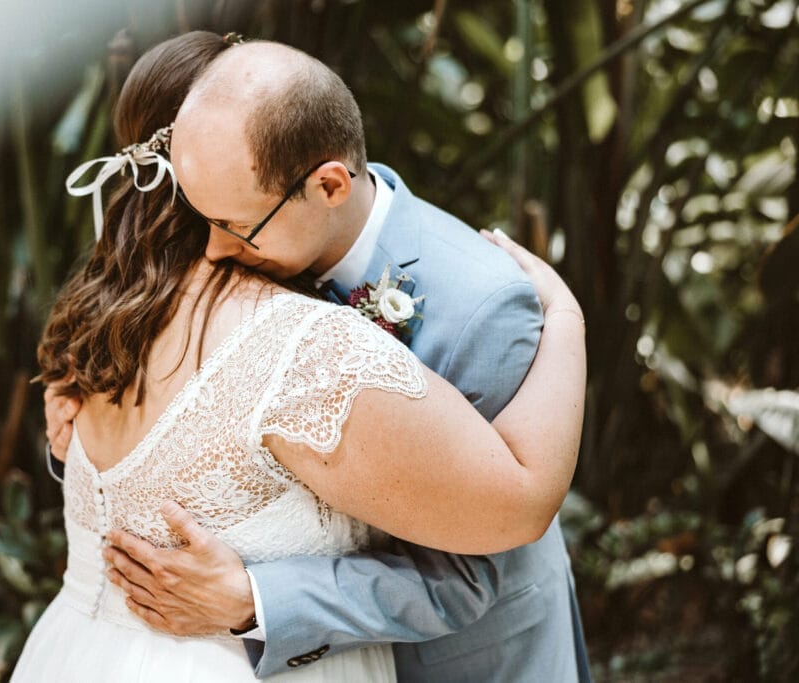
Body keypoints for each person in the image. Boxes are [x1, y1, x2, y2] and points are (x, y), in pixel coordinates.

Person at [33, 32, 587, 682]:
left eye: (235, 225)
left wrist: (257, 601)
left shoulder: (476, 302)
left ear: (326, 184)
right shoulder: (153, 304)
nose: (213, 248)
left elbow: (475, 561)